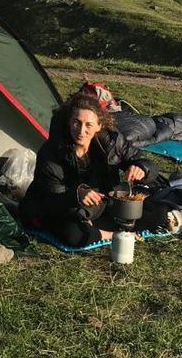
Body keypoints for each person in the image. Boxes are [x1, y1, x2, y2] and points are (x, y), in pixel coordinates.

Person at [20, 90, 169, 248]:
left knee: (158, 213)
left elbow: (139, 159)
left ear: (99, 125)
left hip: (102, 202)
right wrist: (77, 194)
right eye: (76, 122)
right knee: (75, 234)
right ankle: (114, 235)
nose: (81, 130)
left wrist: (141, 168)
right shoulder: (51, 152)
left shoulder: (111, 141)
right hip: (65, 207)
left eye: (88, 125)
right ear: (69, 122)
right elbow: (51, 197)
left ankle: (98, 229)